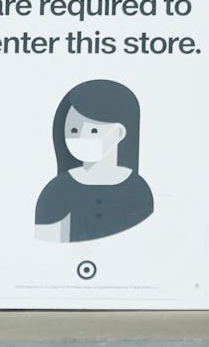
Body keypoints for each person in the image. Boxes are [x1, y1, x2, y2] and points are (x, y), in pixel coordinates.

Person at [34, 79, 154, 242]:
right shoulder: (57, 190)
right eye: (74, 130)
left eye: (94, 130)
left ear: (119, 133)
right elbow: (46, 244)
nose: (82, 137)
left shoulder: (138, 190)